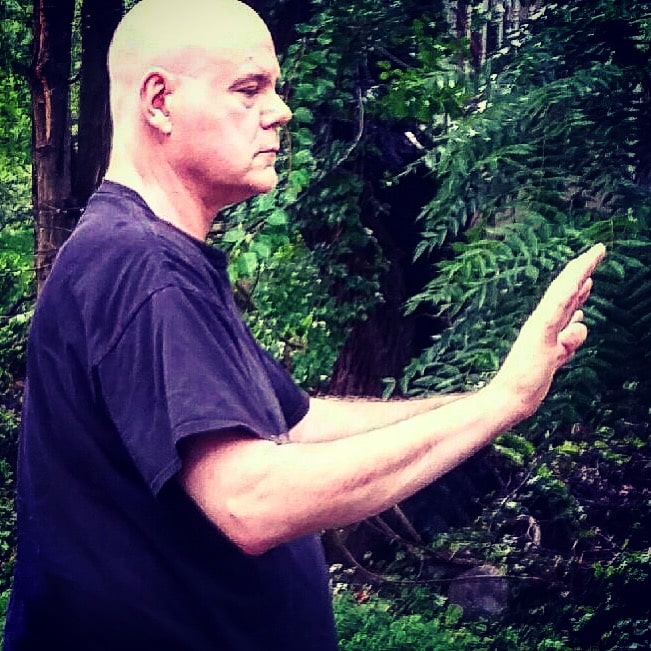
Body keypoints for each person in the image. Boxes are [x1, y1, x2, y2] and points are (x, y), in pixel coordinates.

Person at [4, 0, 606, 649]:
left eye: (277, 88)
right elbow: (250, 500)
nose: (280, 110)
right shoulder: (143, 268)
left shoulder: (153, 258)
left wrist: (491, 395)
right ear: (158, 101)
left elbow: (294, 422)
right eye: (248, 88)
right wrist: (498, 403)